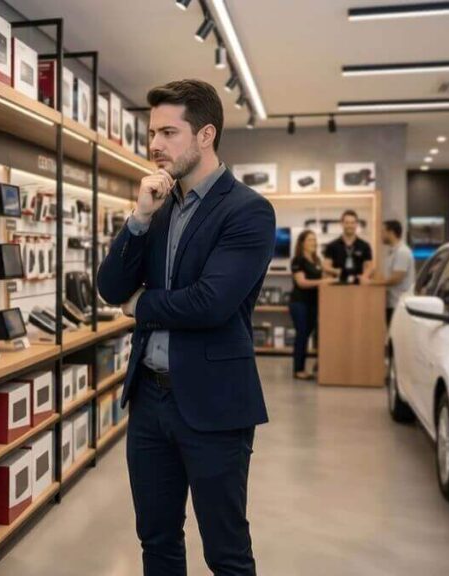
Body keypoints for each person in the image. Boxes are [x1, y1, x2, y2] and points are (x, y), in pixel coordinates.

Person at [96, 79, 275, 576]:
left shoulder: (248, 211)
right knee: (156, 540)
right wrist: (137, 217)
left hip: (215, 406)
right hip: (150, 403)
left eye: (168, 132)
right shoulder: (157, 205)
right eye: (152, 132)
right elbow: (110, 289)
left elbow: (210, 303)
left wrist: (142, 304)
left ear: (205, 135)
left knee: (227, 553)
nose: (154, 145)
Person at [289, 230, 333, 380]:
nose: (313, 242)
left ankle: (308, 367)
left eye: (314, 240)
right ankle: (298, 370)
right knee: (302, 335)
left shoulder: (316, 260)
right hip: (299, 303)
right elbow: (301, 282)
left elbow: (325, 274)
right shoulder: (298, 260)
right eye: (309, 240)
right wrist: (323, 281)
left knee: (307, 335)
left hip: (313, 304)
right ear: (302, 243)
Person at [376, 220, 416, 324]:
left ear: (391, 232)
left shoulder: (402, 252)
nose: (381, 234)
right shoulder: (391, 251)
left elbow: (396, 278)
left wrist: (373, 284)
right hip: (391, 303)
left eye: (383, 231)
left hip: (399, 304)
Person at [323, 210, 374, 284]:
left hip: (358, 287)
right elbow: (326, 266)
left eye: (352, 223)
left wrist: (364, 276)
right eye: (347, 223)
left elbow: (369, 266)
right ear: (342, 224)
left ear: (356, 224)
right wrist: (336, 271)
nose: (350, 225)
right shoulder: (332, 246)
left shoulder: (365, 246)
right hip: (337, 286)